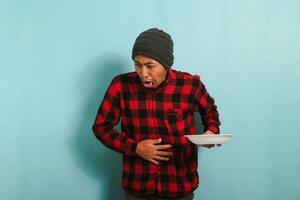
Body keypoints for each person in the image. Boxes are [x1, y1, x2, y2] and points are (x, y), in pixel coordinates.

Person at [92, 28, 221, 200]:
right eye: (138, 64)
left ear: (166, 64)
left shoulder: (190, 85)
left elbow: (210, 112)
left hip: (179, 185)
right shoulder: (120, 85)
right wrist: (135, 148)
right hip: (137, 187)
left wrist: (211, 131)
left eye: (150, 65)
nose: (143, 73)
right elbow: (101, 127)